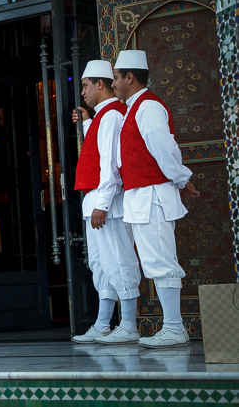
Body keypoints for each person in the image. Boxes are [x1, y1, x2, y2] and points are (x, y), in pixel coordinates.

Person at [112, 50, 200, 348]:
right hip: (142, 195)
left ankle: (175, 327)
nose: (113, 84)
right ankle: (172, 326)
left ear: (129, 77)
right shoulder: (135, 108)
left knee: (161, 260)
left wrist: (181, 178)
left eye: (115, 78)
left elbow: (164, 147)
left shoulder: (147, 107)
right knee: (154, 260)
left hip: (152, 194)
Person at [71, 60, 142, 345]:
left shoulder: (112, 116)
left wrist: (102, 203)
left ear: (100, 84)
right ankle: (103, 323)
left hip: (108, 204)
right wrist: (87, 121)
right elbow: (98, 150)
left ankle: (128, 324)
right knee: (102, 265)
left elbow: (111, 164)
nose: (83, 92)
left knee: (119, 260)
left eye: (86, 86)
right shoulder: (103, 116)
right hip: (99, 203)